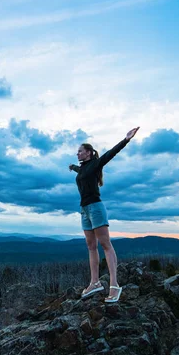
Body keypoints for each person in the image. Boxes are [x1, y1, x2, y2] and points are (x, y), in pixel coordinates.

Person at [69, 127, 139, 303]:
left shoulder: (95, 163)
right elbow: (83, 173)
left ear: (89, 153)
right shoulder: (84, 168)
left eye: (80, 151)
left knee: (105, 244)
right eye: (77, 151)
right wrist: (74, 168)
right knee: (91, 246)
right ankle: (95, 282)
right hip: (84, 209)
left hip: (95, 208)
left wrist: (126, 139)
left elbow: (110, 154)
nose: (77, 153)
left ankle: (114, 285)